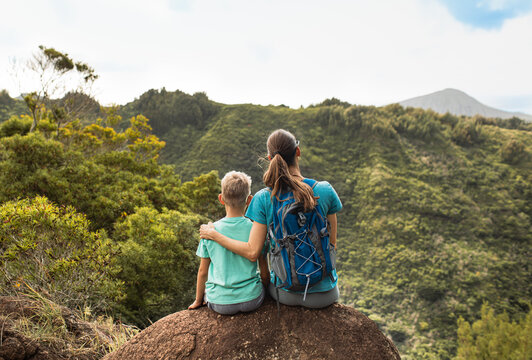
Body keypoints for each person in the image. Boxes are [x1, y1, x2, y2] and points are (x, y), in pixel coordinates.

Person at [200, 129, 342, 308]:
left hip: (284, 293)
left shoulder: (263, 198)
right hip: (324, 294)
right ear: (298, 152)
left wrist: (214, 235)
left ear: (269, 159)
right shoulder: (325, 190)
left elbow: (253, 251)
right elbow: (332, 243)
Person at [188, 171, 269, 315]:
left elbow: (202, 271)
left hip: (220, 303)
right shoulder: (255, 229)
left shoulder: (209, 232)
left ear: (221, 198)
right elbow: (264, 269)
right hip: (251, 300)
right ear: (249, 200)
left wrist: (198, 300)